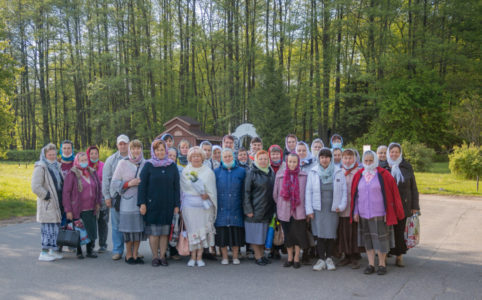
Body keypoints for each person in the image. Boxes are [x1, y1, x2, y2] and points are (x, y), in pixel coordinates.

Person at [350, 150, 405, 275]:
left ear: (375, 161)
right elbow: (355, 195)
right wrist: (355, 211)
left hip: (380, 213)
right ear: (363, 161)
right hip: (364, 213)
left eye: (371, 160)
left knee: (381, 240)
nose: (368, 163)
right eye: (366, 160)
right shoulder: (359, 175)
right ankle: (370, 264)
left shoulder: (384, 174)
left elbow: (392, 194)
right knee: (367, 239)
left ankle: (382, 264)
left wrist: (388, 211)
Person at [138, 139, 180, 267]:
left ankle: (162, 256)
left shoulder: (172, 166)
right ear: (153, 151)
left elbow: (176, 187)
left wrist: (177, 205)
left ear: (166, 150)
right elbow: (142, 186)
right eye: (157, 150)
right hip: (152, 205)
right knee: (154, 232)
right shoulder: (148, 165)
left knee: (164, 232)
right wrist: (142, 203)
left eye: (162, 150)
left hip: (168, 204)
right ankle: (155, 257)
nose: (160, 152)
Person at [306, 148, 347, 271]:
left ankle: (329, 258)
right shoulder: (313, 172)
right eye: (322, 157)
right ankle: (320, 259)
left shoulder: (338, 171)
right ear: (319, 158)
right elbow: (308, 192)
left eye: (327, 157)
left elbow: (344, 191)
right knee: (319, 234)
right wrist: (309, 210)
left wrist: (342, 205)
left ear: (331, 158)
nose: (324, 159)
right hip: (318, 208)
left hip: (333, 208)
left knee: (330, 234)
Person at [111, 140, 147, 265]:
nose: (136, 151)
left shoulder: (145, 164)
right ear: (130, 150)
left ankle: (136, 254)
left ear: (141, 149)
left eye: (138, 148)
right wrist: (128, 183)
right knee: (128, 230)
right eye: (133, 148)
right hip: (126, 202)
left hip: (140, 201)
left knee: (138, 230)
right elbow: (114, 183)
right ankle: (129, 255)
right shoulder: (123, 163)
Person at [180, 146, 217, 267]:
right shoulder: (185, 171)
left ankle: (200, 257)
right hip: (189, 208)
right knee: (192, 231)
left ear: (202, 157)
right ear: (190, 158)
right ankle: (192, 256)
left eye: (198, 156)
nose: (196, 158)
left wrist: (207, 195)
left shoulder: (208, 172)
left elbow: (212, 190)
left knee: (201, 232)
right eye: (194, 156)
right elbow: (183, 190)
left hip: (204, 208)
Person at [63, 152, 102, 259]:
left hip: (91, 207)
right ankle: (79, 251)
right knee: (79, 230)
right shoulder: (72, 174)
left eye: (85, 160)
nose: (84, 162)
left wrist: (98, 202)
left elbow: (98, 188)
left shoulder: (92, 172)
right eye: (82, 160)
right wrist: (68, 210)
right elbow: (66, 193)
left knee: (91, 229)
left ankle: (90, 250)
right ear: (77, 161)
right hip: (78, 208)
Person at [273, 153, 309, 269]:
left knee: (298, 235)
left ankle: (297, 257)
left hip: (299, 211)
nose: (292, 164)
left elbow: (307, 195)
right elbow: (275, 194)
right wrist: (281, 205)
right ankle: (289, 258)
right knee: (287, 235)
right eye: (290, 162)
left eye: (294, 162)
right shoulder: (280, 175)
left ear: (298, 162)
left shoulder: (304, 176)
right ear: (286, 162)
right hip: (284, 210)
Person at [387, 142, 420, 267]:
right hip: (388, 205)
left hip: (403, 204)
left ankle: (399, 256)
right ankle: (385, 255)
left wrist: (415, 206)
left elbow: (413, 188)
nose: (394, 154)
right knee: (387, 231)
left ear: (400, 153)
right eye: (392, 152)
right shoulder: (385, 167)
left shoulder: (407, 167)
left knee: (400, 231)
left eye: (397, 152)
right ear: (388, 153)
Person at [32, 143, 64, 261]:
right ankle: (44, 252)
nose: (52, 156)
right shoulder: (41, 167)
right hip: (48, 203)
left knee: (55, 228)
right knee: (47, 228)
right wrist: (47, 195)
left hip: (57, 202)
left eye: (54, 154)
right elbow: (35, 186)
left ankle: (52, 251)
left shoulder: (57, 166)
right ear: (45, 155)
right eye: (49, 154)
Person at [214, 148, 246, 265]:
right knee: (222, 235)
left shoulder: (241, 171)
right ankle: (225, 257)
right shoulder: (216, 172)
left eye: (230, 156)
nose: (228, 158)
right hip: (221, 207)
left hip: (236, 207)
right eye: (225, 156)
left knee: (235, 234)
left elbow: (244, 190)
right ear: (222, 158)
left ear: (233, 157)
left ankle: (236, 256)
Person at [243, 150, 275, 266]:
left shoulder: (270, 172)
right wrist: (248, 210)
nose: (263, 161)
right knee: (255, 235)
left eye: (265, 159)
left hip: (267, 210)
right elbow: (246, 192)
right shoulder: (252, 173)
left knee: (262, 235)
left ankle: (261, 255)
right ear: (256, 160)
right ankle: (258, 256)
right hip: (255, 210)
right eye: (260, 159)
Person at [103, 134, 129, 260]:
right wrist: (107, 197)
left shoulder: (135, 158)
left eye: (125, 143)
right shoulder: (111, 160)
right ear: (117, 145)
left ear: (128, 144)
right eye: (120, 144)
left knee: (131, 224)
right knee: (116, 225)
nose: (123, 146)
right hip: (115, 197)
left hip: (131, 197)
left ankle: (131, 251)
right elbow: (105, 180)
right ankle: (118, 250)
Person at [337, 149, 362, 269]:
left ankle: (354, 255)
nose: (347, 161)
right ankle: (346, 255)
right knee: (344, 232)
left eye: (350, 158)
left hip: (354, 208)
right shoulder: (339, 172)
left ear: (355, 159)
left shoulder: (359, 172)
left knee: (354, 232)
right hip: (342, 208)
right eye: (345, 158)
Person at [87, 146, 108, 253]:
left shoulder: (103, 165)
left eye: (96, 153)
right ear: (88, 155)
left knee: (103, 221)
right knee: (91, 222)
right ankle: (91, 244)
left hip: (102, 197)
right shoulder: (85, 167)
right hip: (90, 198)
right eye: (91, 154)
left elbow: (106, 180)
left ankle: (103, 244)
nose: (94, 155)